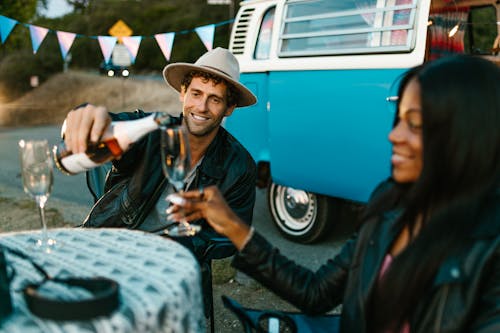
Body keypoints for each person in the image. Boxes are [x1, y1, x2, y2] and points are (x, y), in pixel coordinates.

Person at [171, 55, 500, 332]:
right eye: (398, 119)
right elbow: (315, 293)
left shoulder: (490, 251)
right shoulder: (390, 204)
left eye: (414, 124)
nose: (394, 136)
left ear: (468, 134)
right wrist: (234, 226)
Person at [62, 47, 258, 261]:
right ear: (183, 93)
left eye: (215, 99)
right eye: (196, 93)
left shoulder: (240, 165)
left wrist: (180, 244)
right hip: (114, 246)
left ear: (229, 108)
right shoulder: (151, 130)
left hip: (176, 262)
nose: (202, 107)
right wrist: (86, 116)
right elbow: (109, 125)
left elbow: (229, 239)